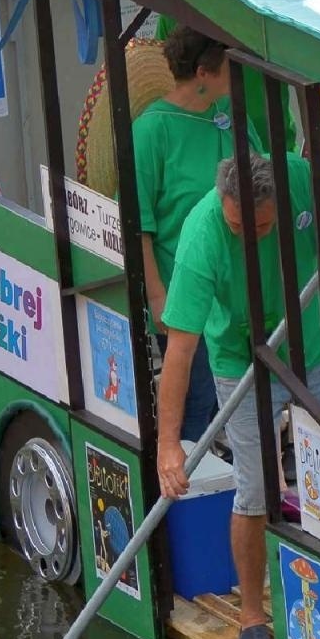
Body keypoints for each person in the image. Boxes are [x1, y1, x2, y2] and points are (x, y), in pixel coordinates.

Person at [156, 154, 320, 639]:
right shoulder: (201, 237)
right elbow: (180, 350)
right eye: (237, 227)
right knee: (254, 490)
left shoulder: (297, 177)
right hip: (239, 359)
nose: (249, 239)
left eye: (264, 227)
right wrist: (167, 445)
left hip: (312, 345)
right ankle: (253, 616)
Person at [133, 26, 241, 441]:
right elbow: (139, 224)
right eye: (228, 66)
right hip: (185, 294)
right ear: (203, 73)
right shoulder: (151, 131)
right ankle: (190, 485)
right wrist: (157, 296)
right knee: (195, 403)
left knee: (233, 400)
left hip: (233, 296)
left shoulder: (230, 119)